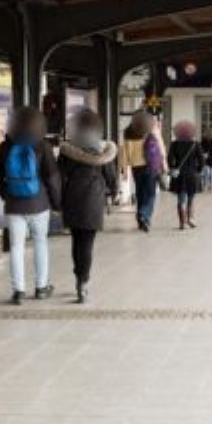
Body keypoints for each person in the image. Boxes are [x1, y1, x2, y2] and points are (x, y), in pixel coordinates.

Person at [0, 107, 60, 305]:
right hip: (39, 204)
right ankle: (41, 287)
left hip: (14, 205)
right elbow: (52, 177)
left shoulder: (5, 147)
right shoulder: (43, 146)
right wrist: (56, 202)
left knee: (16, 247)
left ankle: (18, 291)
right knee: (40, 243)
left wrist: (7, 195)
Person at [58, 111, 117, 303]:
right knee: (87, 243)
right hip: (93, 198)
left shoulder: (68, 149)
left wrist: (58, 199)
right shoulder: (103, 149)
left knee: (76, 240)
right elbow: (111, 176)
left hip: (72, 197)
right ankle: (83, 282)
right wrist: (114, 192)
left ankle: (78, 276)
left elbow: (60, 175)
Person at [119, 110, 163, 231]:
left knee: (140, 192)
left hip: (135, 167)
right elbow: (159, 149)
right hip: (150, 166)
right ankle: (144, 215)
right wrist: (163, 166)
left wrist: (124, 170)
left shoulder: (128, 132)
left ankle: (140, 219)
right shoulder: (151, 130)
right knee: (150, 193)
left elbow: (124, 153)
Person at [169, 120, 206, 230]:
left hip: (180, 175)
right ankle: (190, 219)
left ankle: (182, 223)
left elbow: (169, 160)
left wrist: (174, 168)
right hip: (192, 175)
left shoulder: (174, 144)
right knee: (191, 198)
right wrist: (198, 170)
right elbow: (202, 161)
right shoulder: (195, 144)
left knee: (181, 200)